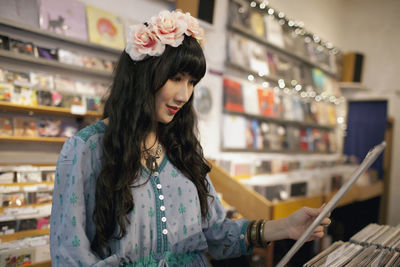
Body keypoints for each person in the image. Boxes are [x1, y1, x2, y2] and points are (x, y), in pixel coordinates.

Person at [49, 10, 331, 267]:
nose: (184, 96)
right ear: (143, 74)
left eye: (192, 82)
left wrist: (287, 227)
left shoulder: (181, 149)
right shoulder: (85, 149)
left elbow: (216, 234)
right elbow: (70, 253)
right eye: (177, 78)